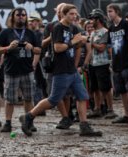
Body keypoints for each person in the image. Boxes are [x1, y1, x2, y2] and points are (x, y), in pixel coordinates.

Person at [21, 4, 102, 137]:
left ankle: (84, 126)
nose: (74, 16)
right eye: (71, 14)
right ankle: (28, 117)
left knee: (82, 96)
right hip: (60, 69)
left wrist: (83, 41)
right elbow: (58, 48)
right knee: (53, 100)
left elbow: (78, 47)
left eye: (75, 14)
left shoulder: (73, 27)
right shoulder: (58, 27)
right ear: (63, 15)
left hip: (72, 70)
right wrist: (73, 41)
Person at [0, 7, 40, 134]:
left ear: (26, 17)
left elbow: (39, 50)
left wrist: (31, 48)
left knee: (28, 98)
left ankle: (29, 122)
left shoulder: (31, 33)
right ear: (13, 17)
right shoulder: (6, 32)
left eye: (23, 15)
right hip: (11, 70)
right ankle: (8, 123)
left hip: (27, 70)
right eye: (18, 14)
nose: (21, 16)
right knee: (9, 99)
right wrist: (8, 47)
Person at [106, 4, 128, 125]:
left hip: (127, 62)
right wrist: (112, 61)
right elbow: (109, 46)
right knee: (122, 91)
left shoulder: (125, 24)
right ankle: (127, 114)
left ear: (117, 12)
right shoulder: (111, 28)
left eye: (111, 11)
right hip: (116, 64)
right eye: (108, 11)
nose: (109, 13)